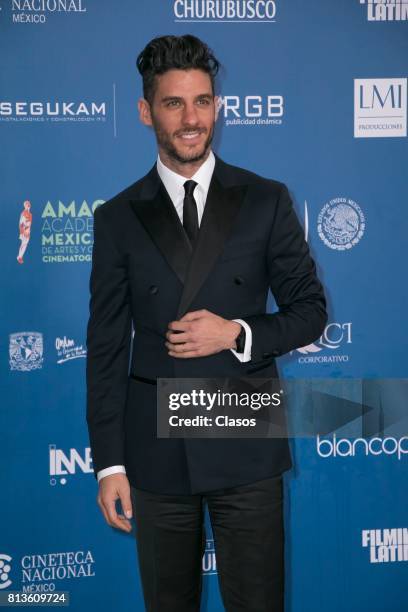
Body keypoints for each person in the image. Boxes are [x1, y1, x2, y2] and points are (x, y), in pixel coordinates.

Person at [86, 34, 327, 612]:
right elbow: (106, 346)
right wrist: (109, 463)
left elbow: (310, 311)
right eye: (174, 103)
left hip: (245, 438)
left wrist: (236, 334)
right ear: (146, 112)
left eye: (203, 101)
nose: (192, 119)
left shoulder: (265, 200)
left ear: (218, 105)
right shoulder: (118, 217)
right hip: (155, 452)